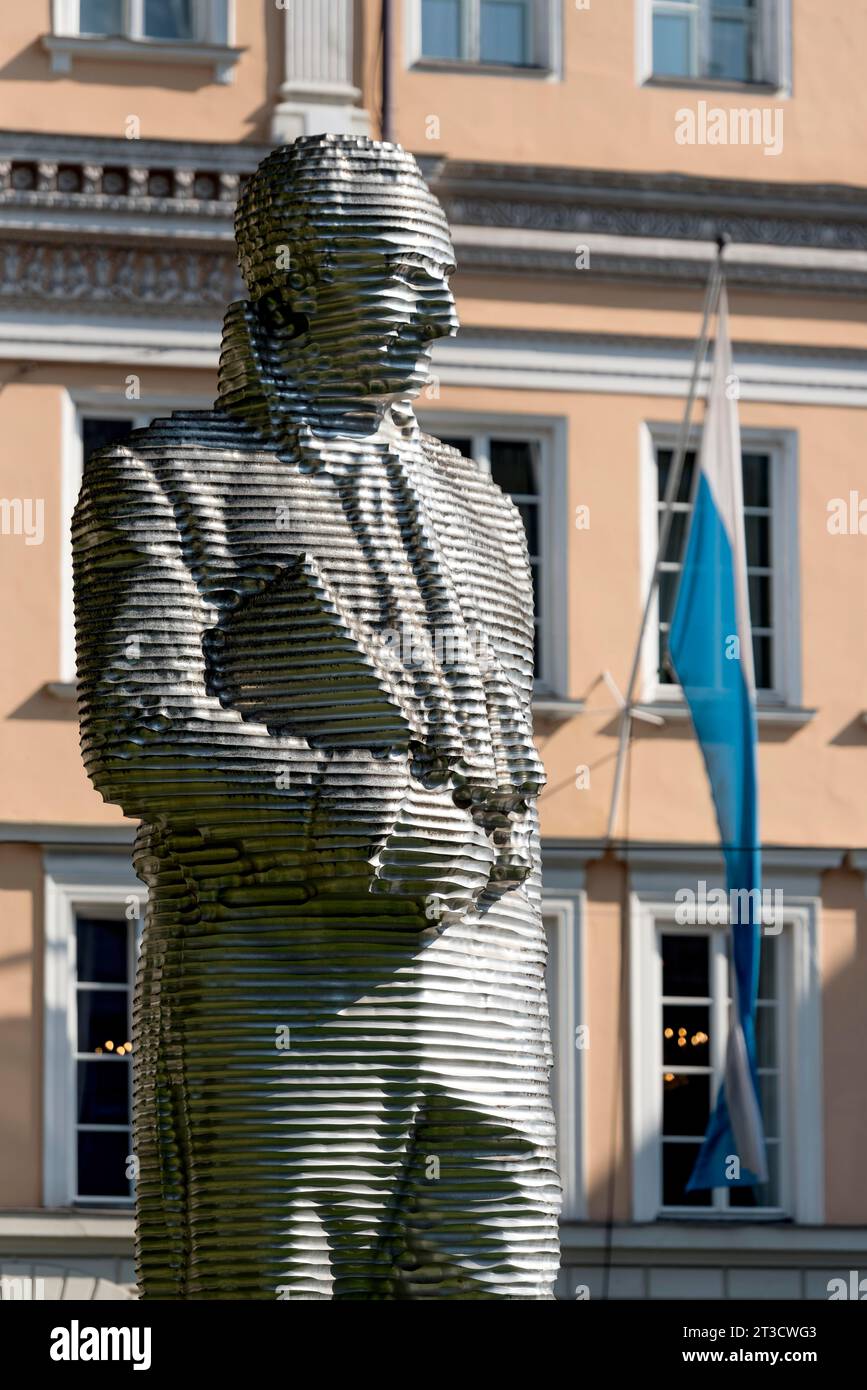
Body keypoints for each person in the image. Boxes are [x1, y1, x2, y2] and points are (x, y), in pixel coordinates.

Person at [73, 134, 560, 1299]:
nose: (439, 318)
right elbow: (136, 726)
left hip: (487, 996)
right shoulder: (170, 475)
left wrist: (508, 840)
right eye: (400, 274)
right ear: (289, 268)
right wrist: (354, 810)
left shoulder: (488, 510)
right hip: (281, 988)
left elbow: (514, 752)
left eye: (445, 281)